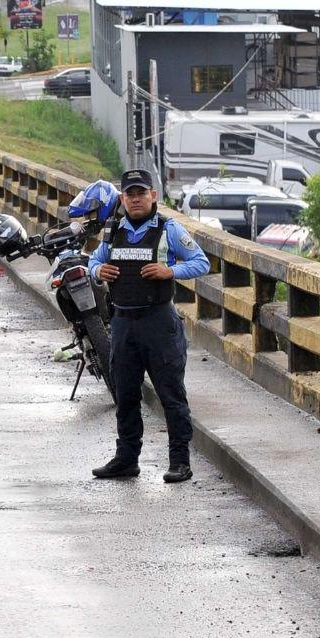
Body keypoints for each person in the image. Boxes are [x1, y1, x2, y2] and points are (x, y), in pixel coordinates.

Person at [87, 168, 210, 483]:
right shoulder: (113, 231)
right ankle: (126, 459)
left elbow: (201, 262)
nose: (136, 199)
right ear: (123, 199)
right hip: (123, 323)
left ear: (153, 195)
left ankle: (179, 461)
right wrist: (100, 270)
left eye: (141, 193)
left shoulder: (169, 229)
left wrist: (170, 272)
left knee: (171, 395)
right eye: (130, 194)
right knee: (125, 395)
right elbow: (91, 262)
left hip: (158, 323)